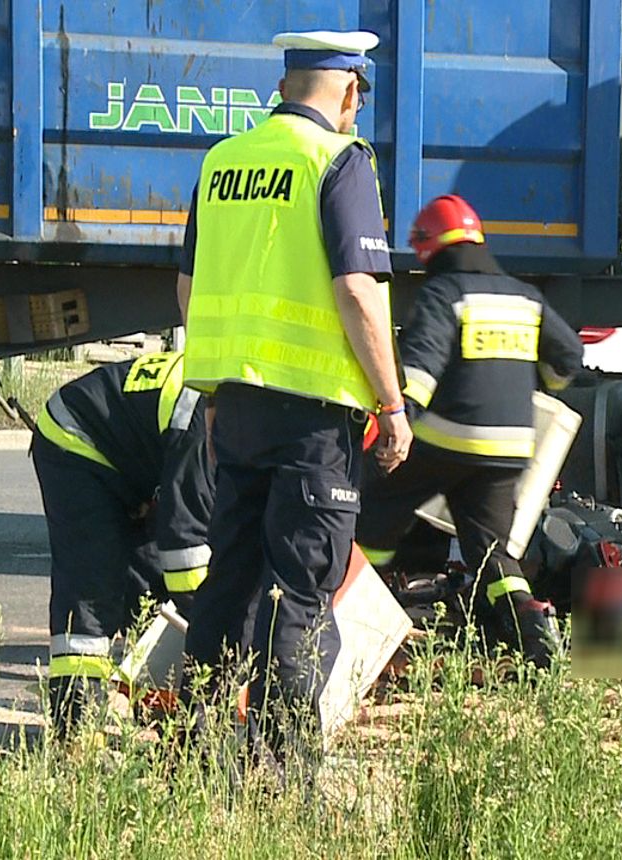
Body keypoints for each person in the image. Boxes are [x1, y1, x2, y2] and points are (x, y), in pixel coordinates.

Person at [175, 29, 409, 764]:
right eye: (358, 98)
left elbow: (189, 284)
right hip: (314, 423)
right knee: (298, 596)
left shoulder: (222, 163)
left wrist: (217, 386)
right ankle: (281, 776)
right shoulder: (340, 162)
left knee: (228, 583)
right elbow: (356, 290)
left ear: (283, 87)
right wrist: (392, 405)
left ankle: (197, 750)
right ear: (347, 91)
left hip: (237, 409)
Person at [356, 194, 585, 669]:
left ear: (428, 248)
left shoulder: (445, 294)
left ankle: (358, 618)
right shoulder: (526, 296)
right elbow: (568, 359)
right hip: (509, 450)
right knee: (493, 556)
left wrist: (397, 428)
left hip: (445, 439)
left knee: (374, 514)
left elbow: (421, 368)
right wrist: (537, 382)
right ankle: (536, 631)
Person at [32, 350, 213, 738]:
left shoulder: (226, 406)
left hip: (133, 461)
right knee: (91, 592)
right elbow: (186, 549)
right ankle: (74, 731)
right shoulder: (201, 422)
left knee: (148, 590)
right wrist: (217, 624)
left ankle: (157, 709)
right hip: (76, 439)